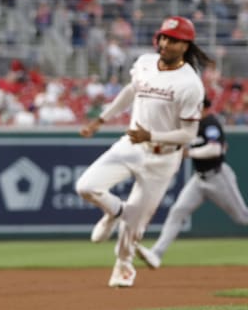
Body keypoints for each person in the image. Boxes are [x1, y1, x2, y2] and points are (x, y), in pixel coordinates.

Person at [75, 16, 211, 288]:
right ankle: (114, 210)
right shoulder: (145, 63)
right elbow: (130, 90)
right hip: (132, 144)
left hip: (163, 158)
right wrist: (102, 119)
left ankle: (123, 267)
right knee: (86, 186)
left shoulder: (190, 84)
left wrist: (152, 134)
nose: (164, 43)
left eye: (172, 39)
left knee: (134, 225)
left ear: (185, 45)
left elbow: (189, 134)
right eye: (162, 37)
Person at [136, 96, 248, 269]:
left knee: (243, 217)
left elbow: (215, 149)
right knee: (177, 212)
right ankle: (156, 254)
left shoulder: (210, 123)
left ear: (203, 108)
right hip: (199, 179)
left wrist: (189, 153)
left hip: (218, 177)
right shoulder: (191, 126)